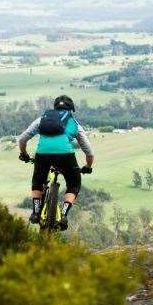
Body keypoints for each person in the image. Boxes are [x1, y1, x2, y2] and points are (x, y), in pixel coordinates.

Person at [17, 95, 94, 230]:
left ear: (55, 108)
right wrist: (88, 166)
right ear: (71, 110)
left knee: (38, 181)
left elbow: (22, 139)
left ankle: (35, 212)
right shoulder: (74, 123)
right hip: (66, 156)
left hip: (42, 155)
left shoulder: (42, 120)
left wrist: (24, 154)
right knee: (73, 184)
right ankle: (63, 215)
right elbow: (89, 152)